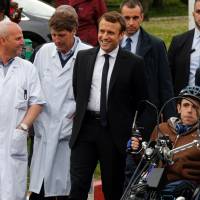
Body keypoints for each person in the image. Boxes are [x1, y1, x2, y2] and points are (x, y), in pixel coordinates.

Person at [69, 11, 148, 200]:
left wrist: (134, 132)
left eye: (110, 33)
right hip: (85, 129)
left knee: (112, 188)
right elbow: (78, 90)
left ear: (121, 35)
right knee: (78, 185)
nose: (104, 37)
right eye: (101, 31)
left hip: (114, 134)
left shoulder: (134, 63)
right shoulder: (83, 57)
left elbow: (142, 101)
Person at [28, 5, 91, 200]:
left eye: (61, 35)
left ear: (74, 31)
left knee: (66, 187)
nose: (56, 40)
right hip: (44, 130)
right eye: (53, 35)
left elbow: (93, 93)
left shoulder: (88, 54)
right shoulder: (44, 52)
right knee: (41, 188)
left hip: (69, 132)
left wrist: (79, 111)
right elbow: (34, 87)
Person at [128, 85, 200, 199]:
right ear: (179, 108)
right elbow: (146, 162)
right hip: (155, 176)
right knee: (135, 194)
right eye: (186, 105)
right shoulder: (162, 128)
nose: (190, 110)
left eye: (195, 107)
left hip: (185, 184)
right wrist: (138, 150)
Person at [0, 21, 45, 200]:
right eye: (18, 38)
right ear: (3, 40)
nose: (23, 41)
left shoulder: (27, 68)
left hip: (14, 139)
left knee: (13, 192)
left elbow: (37, 102)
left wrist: (24, 127)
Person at [168, 0, 200, 96]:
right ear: (193, 14)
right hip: (186, 104)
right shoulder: (178, 42)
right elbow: (167, 77)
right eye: (199, 12)